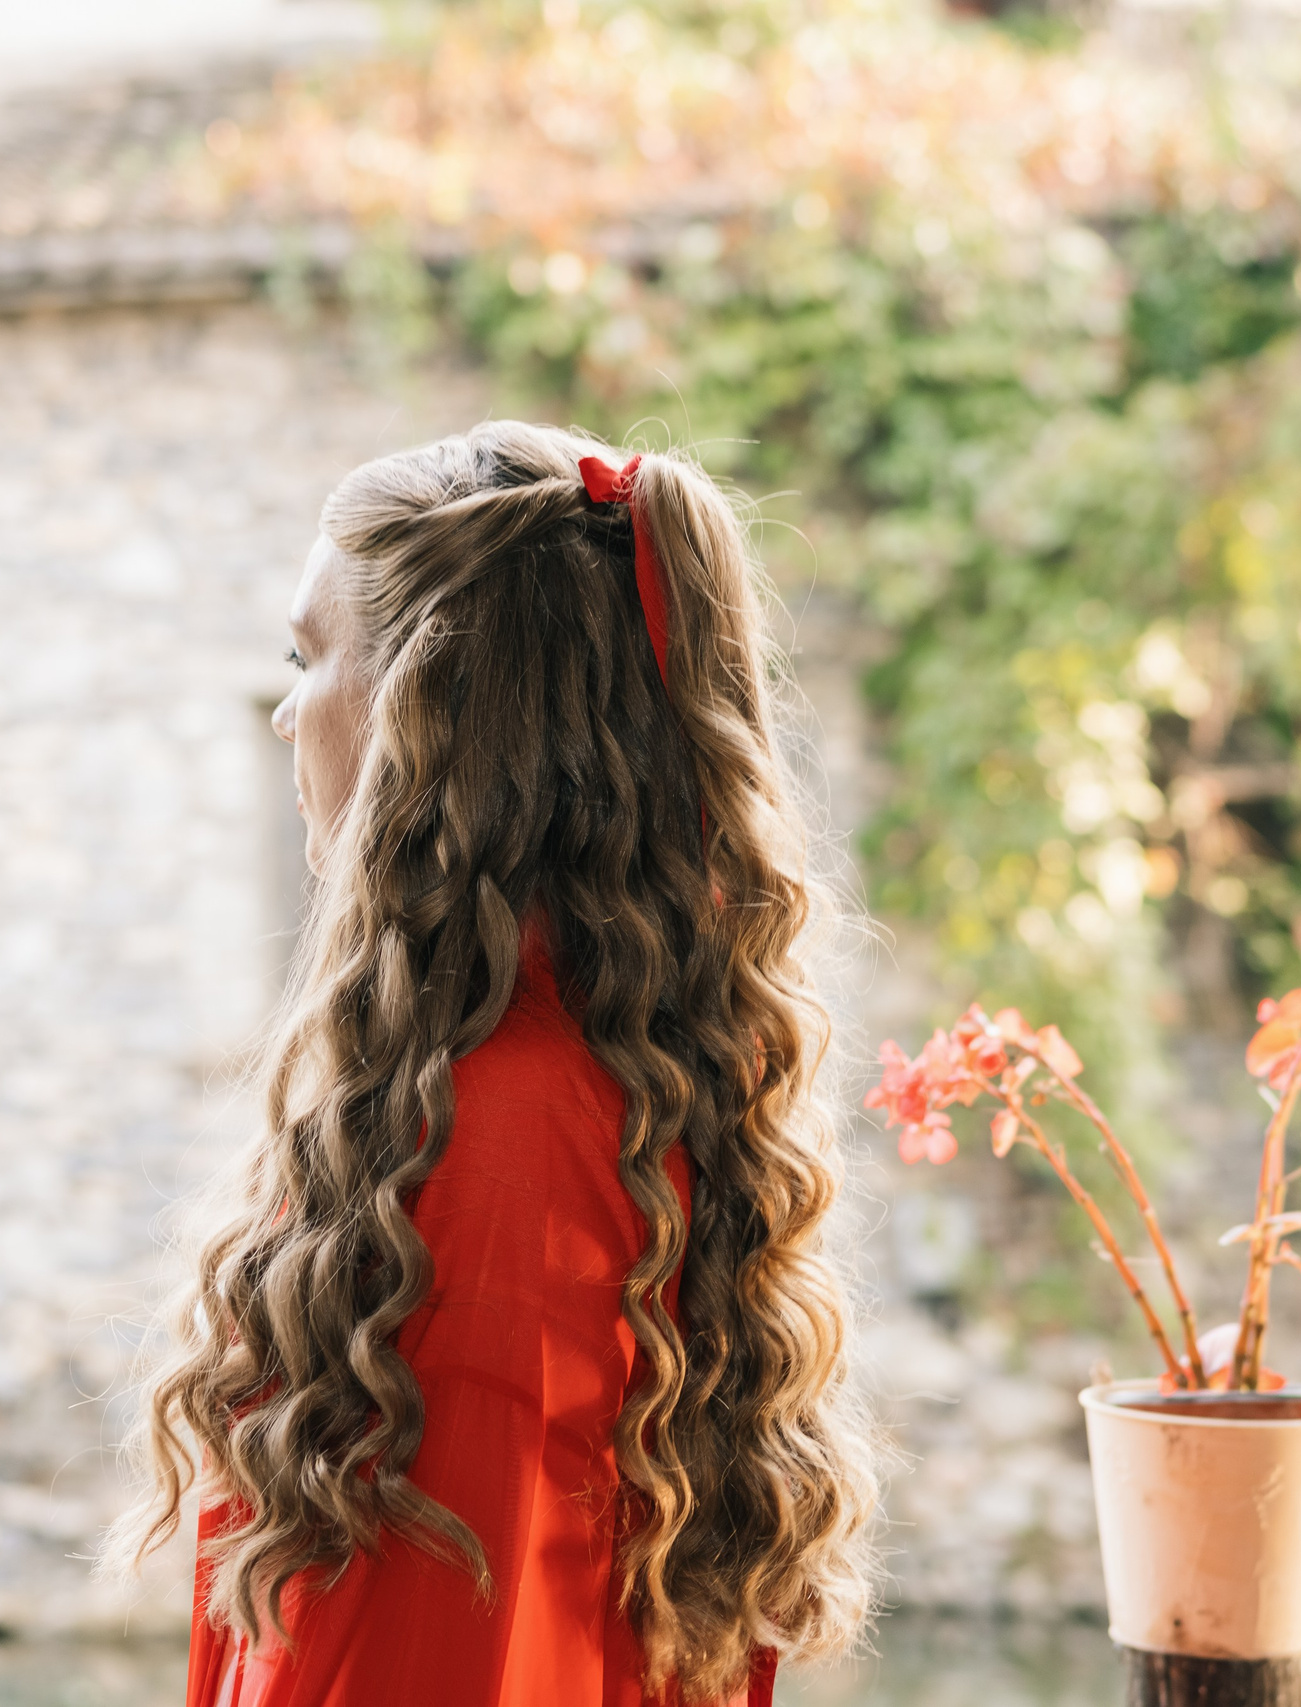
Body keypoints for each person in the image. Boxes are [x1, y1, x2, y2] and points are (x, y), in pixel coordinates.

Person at [112, 423, 875, 1706]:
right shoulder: (543, 1088)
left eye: (308, 657)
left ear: (426, 711)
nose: (286, 713)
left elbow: (440, 1657)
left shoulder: (499, 1138)